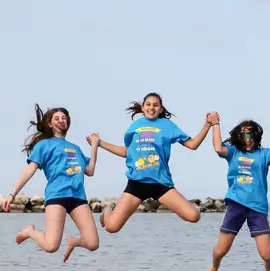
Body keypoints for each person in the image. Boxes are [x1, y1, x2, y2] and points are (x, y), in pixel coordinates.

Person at [88, 92, 217, 233]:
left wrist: (208, 124)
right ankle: (108, 210)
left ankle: (194, 208)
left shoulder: (167, 126)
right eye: (148, 104)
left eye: (155, 105)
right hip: (136, 183)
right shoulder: (134, 127)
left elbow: (193, 144)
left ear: (161, 109)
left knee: (194, 216)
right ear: (143, 108)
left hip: (161, 183)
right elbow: (127, 152)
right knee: (111, 227)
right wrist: (100, 143)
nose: (151, 108)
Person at [204, 117, 270, 271]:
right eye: (244, 136)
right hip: (236, 205)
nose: (248, 140)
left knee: (266, 254)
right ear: (239, 137)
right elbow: (218, 148)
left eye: (251, 136)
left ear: (256, 137)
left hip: (257, 208)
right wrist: (215, 125)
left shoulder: (264, 153)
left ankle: (268, 266)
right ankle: (215, 265)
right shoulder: (234, 152)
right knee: (220, 250)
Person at [4, 104, 100, 262]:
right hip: (57, 196)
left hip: (78, 197)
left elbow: (89, 170)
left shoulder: (74, 148)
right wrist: (12, 194)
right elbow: (29, 170)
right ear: (50, 124)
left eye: (64, 118)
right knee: (51, 246)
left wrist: (95, 146)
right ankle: (31, 232)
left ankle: (73, 242)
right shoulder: (44, 145)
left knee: (93, 243)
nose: (61, 120)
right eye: (57, 118)